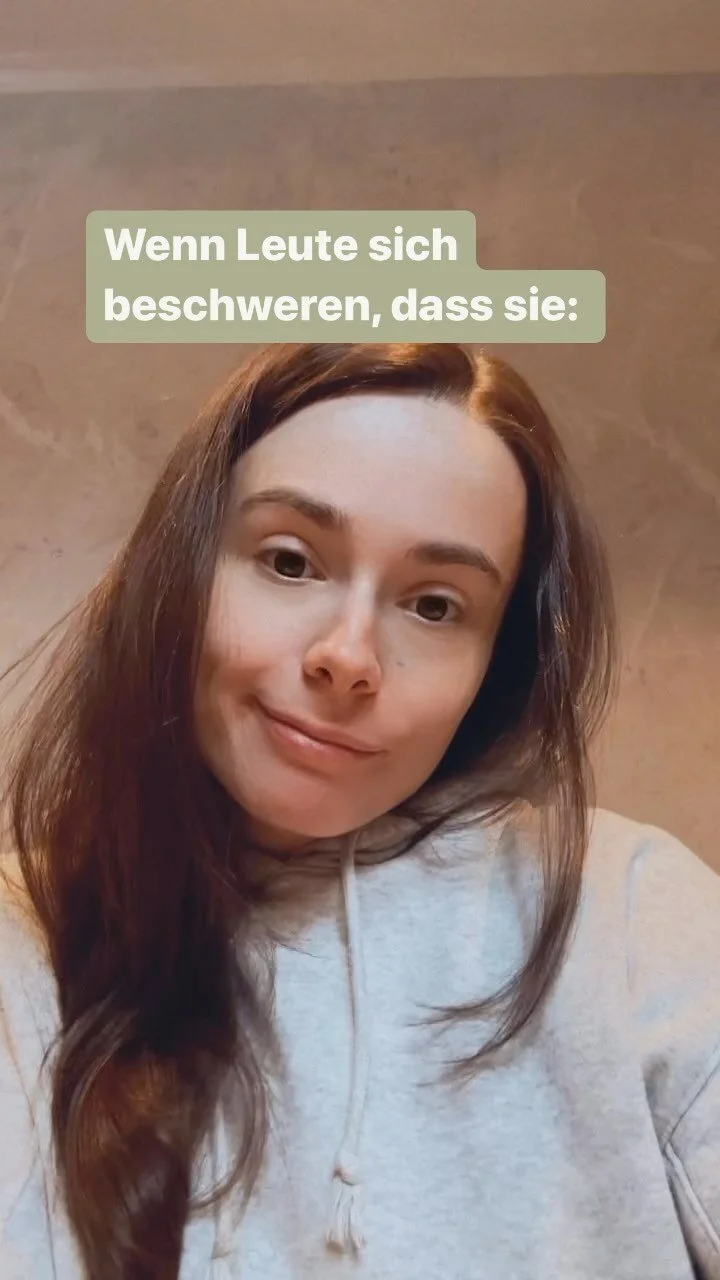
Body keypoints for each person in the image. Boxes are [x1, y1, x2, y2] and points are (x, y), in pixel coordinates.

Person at [0, 341, 718, 1280]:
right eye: (289, 560)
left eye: (435, 607)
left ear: (492, 668)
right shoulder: (23, 946)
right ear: (179, 570)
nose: (348, 657)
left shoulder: (628, 913)